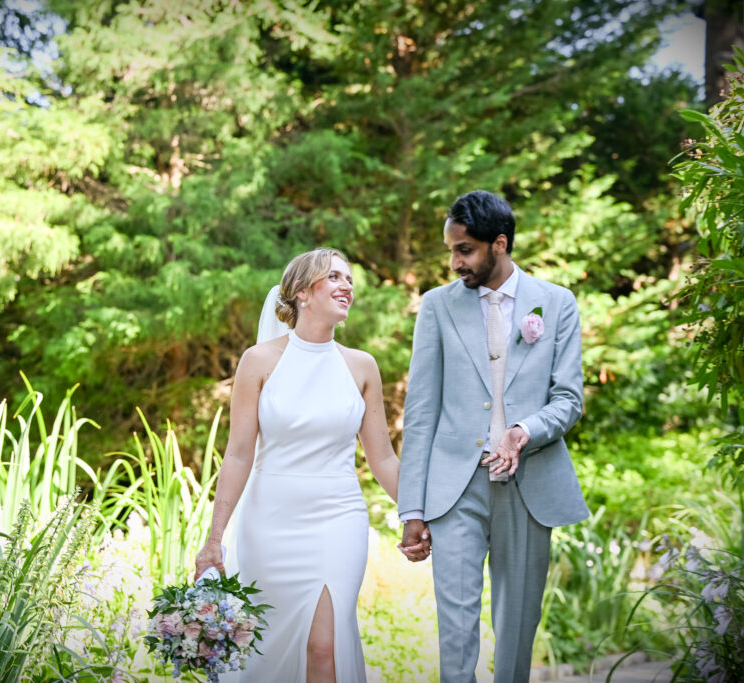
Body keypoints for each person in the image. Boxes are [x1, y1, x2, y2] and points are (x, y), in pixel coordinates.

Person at [195, 247, 428, 683]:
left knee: (324, 648)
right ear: (302, 292)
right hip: (269, 521)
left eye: (350, 280)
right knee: (267, 649)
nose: (347, 287)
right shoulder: (259, 361)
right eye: (335, 277)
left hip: (337, 516)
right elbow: (239, 453)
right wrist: (214, 538)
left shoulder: (361, 366)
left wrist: (415, 513)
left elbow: (382, 458)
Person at [398, 190, 589, 683]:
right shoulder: (436, 306)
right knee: (455, 627)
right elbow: (420, 412)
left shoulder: (556, 303)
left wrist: (523, 431)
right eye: (451, 250)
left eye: (464, 250)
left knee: (518, 623)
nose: (455, 261)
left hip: (529, 486)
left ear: (499, 244)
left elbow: (568, 399)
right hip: (455, 488)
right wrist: (412, 510)